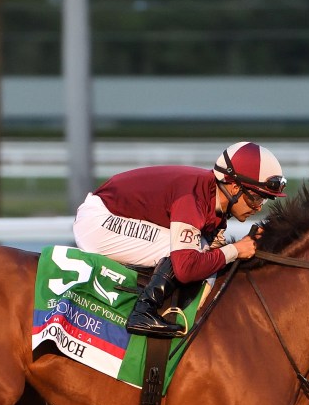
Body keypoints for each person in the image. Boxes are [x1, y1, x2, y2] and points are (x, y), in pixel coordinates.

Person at [72, 141, 287, 337]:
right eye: (256, 197)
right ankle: (142, 312)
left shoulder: (215, 202)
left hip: (112, 214)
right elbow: (185, 268)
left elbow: (216, 252)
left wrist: (246, 245)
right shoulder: (193, 197)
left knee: (202, 248)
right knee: (186, 252)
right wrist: (236, 250)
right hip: (99, 221)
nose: (258, 207)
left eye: (264, 201)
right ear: (233, 187)